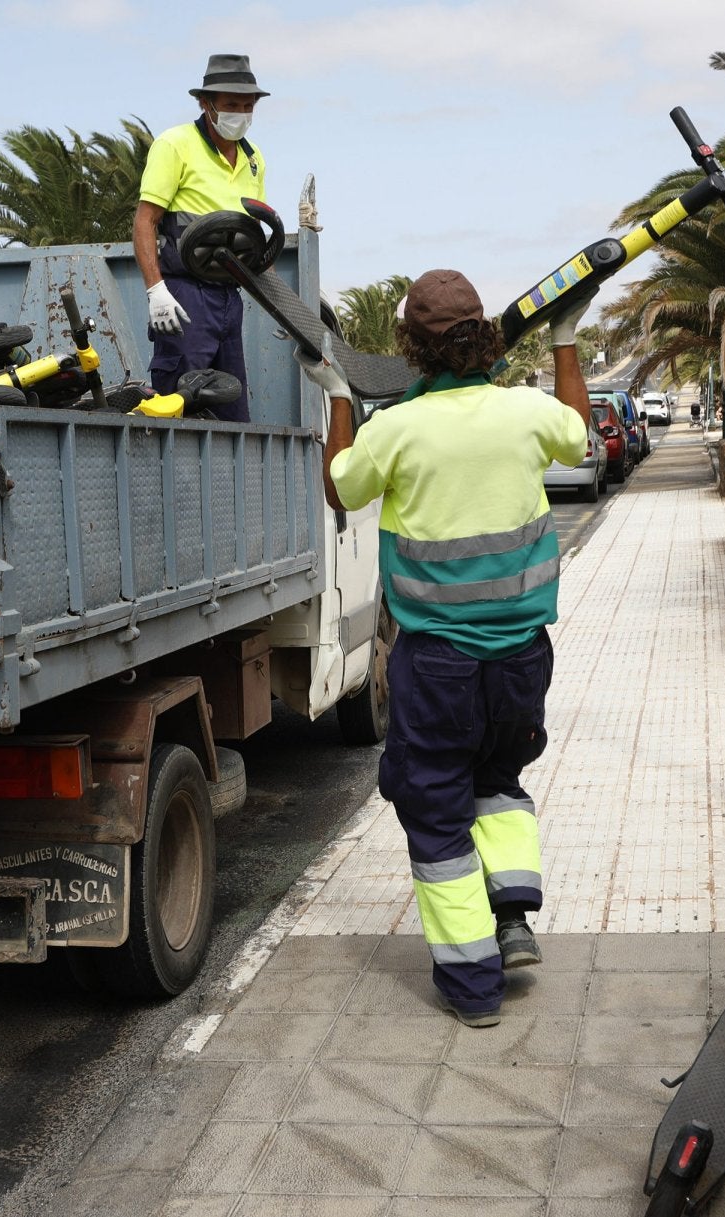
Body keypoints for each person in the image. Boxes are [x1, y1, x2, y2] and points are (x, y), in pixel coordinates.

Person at [300, 270, 593, 1028]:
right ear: (487, 337)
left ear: (411, 350)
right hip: (524, 653)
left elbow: (340, 488)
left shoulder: (396, 430)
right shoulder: (525, 413)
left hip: (438, 663)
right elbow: (579, 430)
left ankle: (472, 984)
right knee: (499, 774)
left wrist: (336, 391)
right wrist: (565, 339)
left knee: (434, 804)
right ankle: (513, 915)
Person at [133, 54, 269, 423]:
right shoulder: (174, 144)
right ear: (205, 103)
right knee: (179, 402)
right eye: (230, 105)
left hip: (229, 296)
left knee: (230, 403)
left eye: (247, 106)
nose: (240, 113)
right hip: (184, 297)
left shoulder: (253, 158)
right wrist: (156, 291)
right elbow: (146, 221)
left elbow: (251, 231)